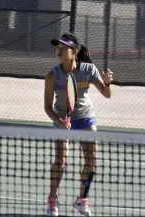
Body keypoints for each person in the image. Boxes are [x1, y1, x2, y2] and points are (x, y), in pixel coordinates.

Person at [43, 33, 113, 217]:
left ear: (73, 51)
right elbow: (47, 107)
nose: (59, 51)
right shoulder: (52, 75)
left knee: (91, 161)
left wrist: (107, 83)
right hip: (62, 118)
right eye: (58, 48)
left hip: (86, 118)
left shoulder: (89, 70)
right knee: (61, 161)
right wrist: (60, 122)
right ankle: (52, 198)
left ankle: (82, 199)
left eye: (63, 48)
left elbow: (107, 94)